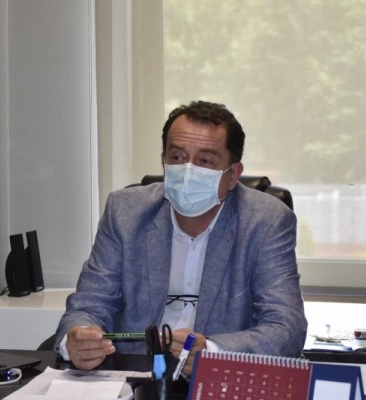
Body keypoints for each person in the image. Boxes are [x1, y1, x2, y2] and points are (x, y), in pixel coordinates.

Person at [54, 100, 307, 376]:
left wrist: (211, 352)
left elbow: (286, 327)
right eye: (177, 157)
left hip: (219, 382)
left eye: (205, 161)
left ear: (233, 175)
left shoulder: (266, 221)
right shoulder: (125, 212)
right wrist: (76, 339)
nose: (187, 170)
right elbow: (89, 305)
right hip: (134, 378)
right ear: (163, 161)